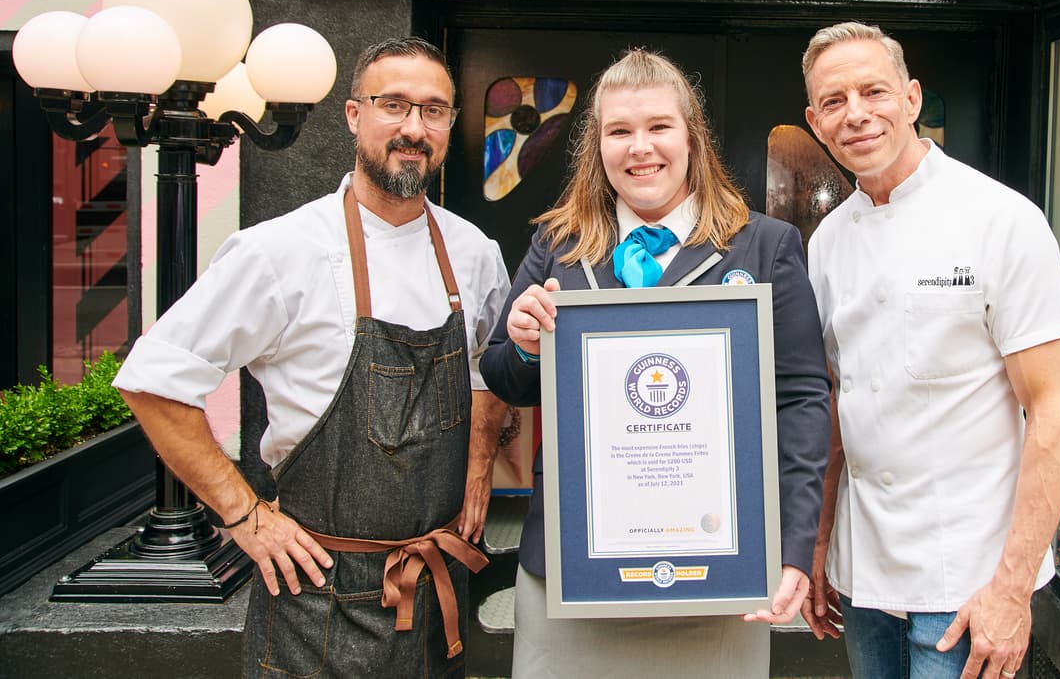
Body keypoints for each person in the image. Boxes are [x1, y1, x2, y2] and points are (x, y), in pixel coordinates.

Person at [113, 37, 512, 678]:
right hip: (316, 599)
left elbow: (487, 366)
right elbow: (154, 381)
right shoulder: (278, 252)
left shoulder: (473, 252)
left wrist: (479, 457)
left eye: (434, 110)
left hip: (437, 600)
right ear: (354, 115)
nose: (414, 128)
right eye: (395, 105)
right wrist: (243, 517)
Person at [479, 48, 831, 678]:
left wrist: (792, 547)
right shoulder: (558, 244)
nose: (640, 148)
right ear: (598, 147)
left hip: (718, 574)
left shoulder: (764, 246)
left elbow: (800, 399)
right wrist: (526, 342)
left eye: (658, 128)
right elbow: (506, 376)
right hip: (574, 572)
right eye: (619, 131)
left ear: (691, 138)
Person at [797, 21, 1060, 679]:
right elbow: (837, 399)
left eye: (874, 91)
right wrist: (816, 542)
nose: (857, 114)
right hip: (864, 569)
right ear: (816, 122)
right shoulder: (829, 241)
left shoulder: (1001, 220)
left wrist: (1011, 590)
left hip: (969, 581)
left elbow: (1057, 412)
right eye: (835, 102)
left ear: (913, 97)